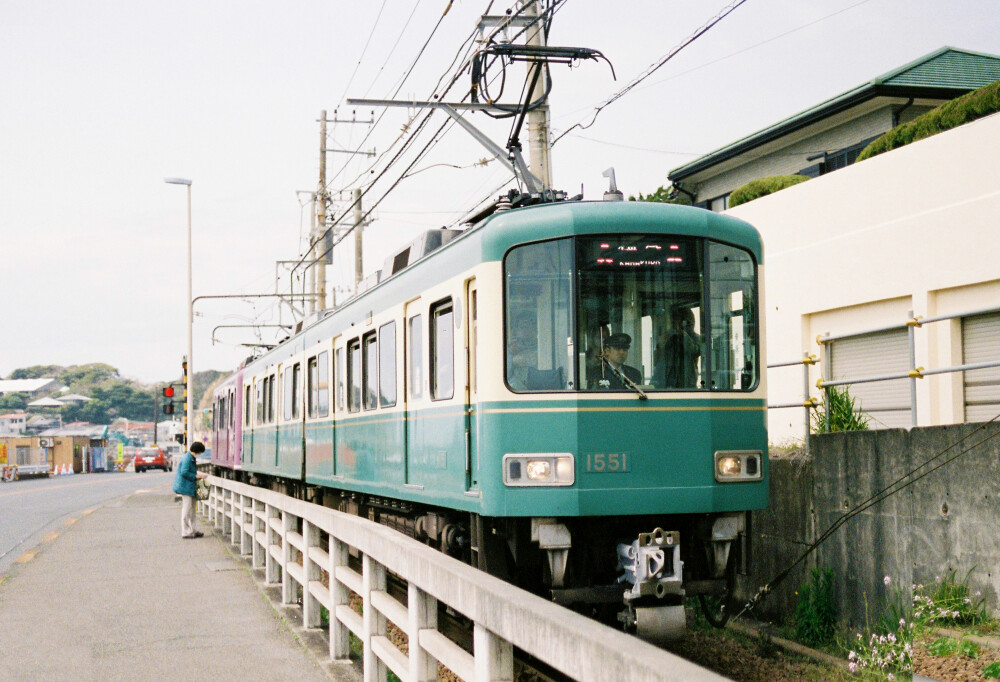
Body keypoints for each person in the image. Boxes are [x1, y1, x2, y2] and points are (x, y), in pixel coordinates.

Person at [653, 308, 702, 388]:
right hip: (667, 381)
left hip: (687, 382)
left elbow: (695, 352)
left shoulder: (694, 338)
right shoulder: (669, 336)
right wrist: (661, 344)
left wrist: (683, 334)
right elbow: (657, 360)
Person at [173, 441, 208, 539]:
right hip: (186, 487)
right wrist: (196, 476)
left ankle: (193, 530)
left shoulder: (190, 457)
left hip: (189, 487)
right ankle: (186, 532)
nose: (200, 454)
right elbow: (184, 472)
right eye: (200, 452)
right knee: (187, 509)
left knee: (192, 509)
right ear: (197, 451)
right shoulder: (188, 459)